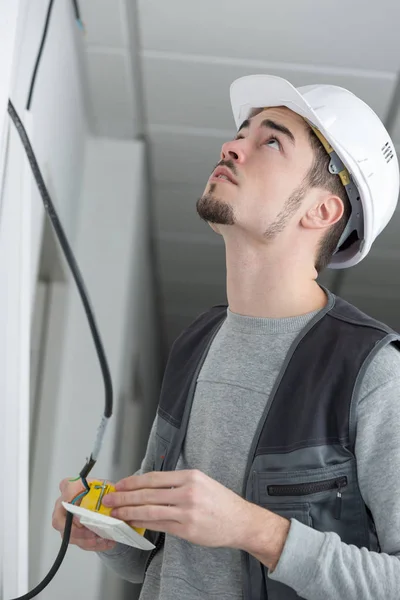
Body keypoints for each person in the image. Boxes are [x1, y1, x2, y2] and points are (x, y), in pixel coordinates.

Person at [52, 74, 400, 599]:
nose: (232, 145)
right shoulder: (197, 341)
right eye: (241, 132)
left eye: (271, 140)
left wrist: (253, 529)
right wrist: (107, 526)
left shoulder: (371, 372)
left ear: (321, 210)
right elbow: (166, 554)